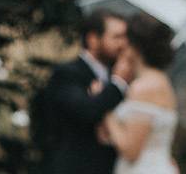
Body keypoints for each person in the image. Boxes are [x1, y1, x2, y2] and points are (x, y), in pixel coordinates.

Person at [38, 9, 134, 174]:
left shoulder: (122, 77)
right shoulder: (67, 73)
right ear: (93, 39)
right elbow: (86, 111)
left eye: (126, 37)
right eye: (117, 37)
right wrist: (118, 83)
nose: (123, 44)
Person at [98, 13, 179, 174]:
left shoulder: (144, 87)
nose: (122, 45)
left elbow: (131, 151)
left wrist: (106, 112)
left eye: (125, 39)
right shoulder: (159, 80)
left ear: (136, 46)